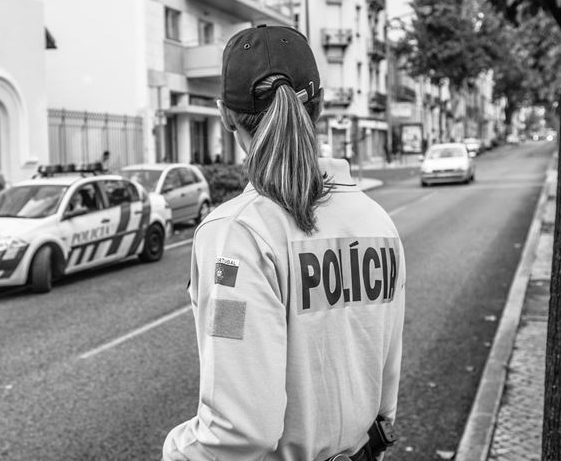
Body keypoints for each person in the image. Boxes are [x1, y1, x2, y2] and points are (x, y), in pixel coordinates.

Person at [163, 25, 406, 461]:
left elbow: (240, 431)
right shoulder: (377, 220)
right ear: (319, 106)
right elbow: (384, 384)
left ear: (224, 114)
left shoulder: (236, 236)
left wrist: (176, 452)